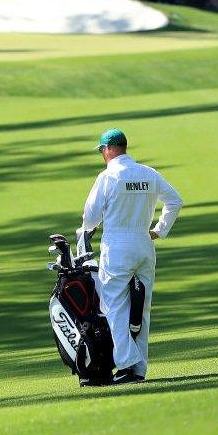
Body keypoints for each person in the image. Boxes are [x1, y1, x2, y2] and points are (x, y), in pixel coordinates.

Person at [77, 129, 183, 385]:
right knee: (142, 307)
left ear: (110, 149)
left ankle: (126, 364)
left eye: (102, 150)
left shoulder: (108, 176)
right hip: (144, 244)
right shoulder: (148, 173)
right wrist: (159, 230)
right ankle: (139, 368)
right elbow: (175, 201)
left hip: (117, 245)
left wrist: (89, 228)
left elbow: (90, 217)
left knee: (114, 306)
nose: (102, 154)